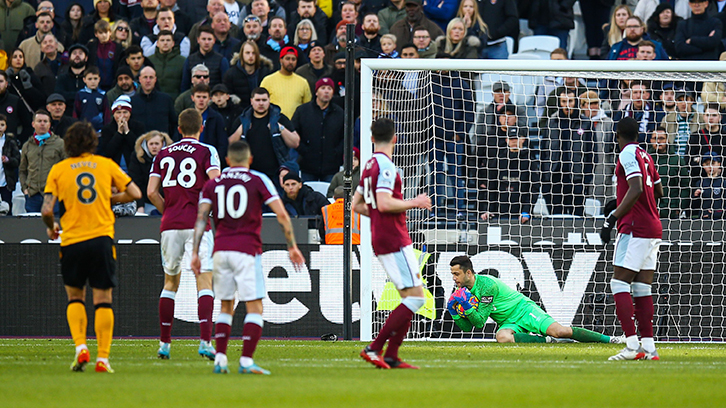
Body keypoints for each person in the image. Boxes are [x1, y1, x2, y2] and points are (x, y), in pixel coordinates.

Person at [192, 140, 305, 374]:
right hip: (246, 249)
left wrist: (195, 252)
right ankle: (245, 360)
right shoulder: (258, 179)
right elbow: (282, 214)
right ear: (250, 160)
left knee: (225, 306)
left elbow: (202, 218)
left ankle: (220, 359)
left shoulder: (212, 184)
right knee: (255, 307)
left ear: (227, 161)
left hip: (220, 251)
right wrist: (292, 246)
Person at [41, 121, 141, 373]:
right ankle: (103, 359)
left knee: (75, 297)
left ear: (68, 144)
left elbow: (46, 209)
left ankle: (80, 347)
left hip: (72, 240)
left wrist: (51, 226)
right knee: (103, 299)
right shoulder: (105, 165)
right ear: (93, 142)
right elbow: (136, 193)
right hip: (101, 239)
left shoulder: (59, 169)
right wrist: (110, 197)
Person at [352, 118, 432, 369]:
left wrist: (377, 213)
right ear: (395, 138)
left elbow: (356, 205)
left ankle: (391, 355)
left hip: (382, 234)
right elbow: (385, 203)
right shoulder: (386, 167)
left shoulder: (368, 165)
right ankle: (375, 347)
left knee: (408, 297)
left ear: (372, 138)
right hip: (393, 236)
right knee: (417, 298)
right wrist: (414, 202)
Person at [147, 108, 222, 360]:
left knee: (170, 282)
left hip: (170, 224)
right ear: (201, 128)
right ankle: (204, 342)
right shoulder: (207, 151)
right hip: (198, 224)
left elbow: (150, 191)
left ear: (178, 129)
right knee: (204, 280)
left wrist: (167, 210)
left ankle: (164, 345)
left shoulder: (163, 153)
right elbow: (216, 182)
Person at [600, 117, 663, 361]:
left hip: (634, 227)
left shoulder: (626, 154)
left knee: (619, 284)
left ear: (618, 135)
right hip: (653, 227)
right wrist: (620, 199)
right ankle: (649, 348)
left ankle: (632, 345)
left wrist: (613, 217)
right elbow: (657, 191)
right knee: (642, 287)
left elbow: (636, 188)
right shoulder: (645, 155)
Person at [447, 255, 622, 344]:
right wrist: (454, 312)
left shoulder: (487, 286)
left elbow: (479, 322)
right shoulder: (462, 291)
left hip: (523, 309)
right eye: (452, 274)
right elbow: (469, 327)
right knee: (502, 337)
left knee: (561, 331)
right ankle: (548, 341)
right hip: (508, 321)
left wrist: (465, 305)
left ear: (468, 272)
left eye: (457, 274)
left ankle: (610, 339)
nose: (454, 278)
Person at [479, 126, 539, 223]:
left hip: (521, 215)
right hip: (499, 213)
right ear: (507, 140)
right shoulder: (498, 160)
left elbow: (534, 189)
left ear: (523, 139)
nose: (514, 141)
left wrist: (526, 211)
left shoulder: (530, 161)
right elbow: (491, 186)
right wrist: (489, 209)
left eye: (516, 138)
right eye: (511, 139)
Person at [291, 77, 344, 182]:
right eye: (323, 88)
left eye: (329, 88)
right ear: (316, 92)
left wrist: (336, 153)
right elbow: (293, 132)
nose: (326, 91)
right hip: (307, 165)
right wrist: (304, 150)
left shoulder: (340, 113)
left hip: (331, 167)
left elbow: (345, 137)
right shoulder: (302, 111)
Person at [19, 110, 66, 213]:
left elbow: (67, 168)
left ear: (49, 124)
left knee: (53, 227)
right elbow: (22, 170)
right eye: (39, 121)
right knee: (33, 228)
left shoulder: (60, 143)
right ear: (33, 124)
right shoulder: (27, 145)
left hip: (53, 195)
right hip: (33, 195)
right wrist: (25, 189)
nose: (42, 124)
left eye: (45, 121)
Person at [647, 127, 690, 218]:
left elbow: (685, 186)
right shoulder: (644, 159)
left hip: (671, 211)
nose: (658, 141)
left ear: (667, 140)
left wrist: (679, 208)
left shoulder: (677, 160)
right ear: (651, 140)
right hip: (648, 210)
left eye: (661, 138)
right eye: (655, 138)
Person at [260, 46, 312, 119]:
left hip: (295, 126)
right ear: (281, 60)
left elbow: (307, 107)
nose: (290, 62)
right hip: (274, 124)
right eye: (287, 59)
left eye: (293, 59)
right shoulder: (268, 80)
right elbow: (260, 104)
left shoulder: (303, 82)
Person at [128, 130, 173, 214]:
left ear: (163, 144)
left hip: (167, 200)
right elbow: (136, 184)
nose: (154, 147)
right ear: (146, 145)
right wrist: (140, 206)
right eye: (151, 144)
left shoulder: (171, 158)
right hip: (146, 201)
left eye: (157, 144)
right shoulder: (137, 157)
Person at [223, 41, 274, 110]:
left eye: (253, 53)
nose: (250, 56)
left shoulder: (265, 72)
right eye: (247, 53)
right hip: (239, 113)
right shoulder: (231, 74)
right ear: (242, 54)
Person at [100, 95, 146, 166]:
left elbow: (139, 149)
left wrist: (127, 132)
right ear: (114, 114)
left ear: (130, 113)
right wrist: (119, 133)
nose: (122, 116)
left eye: (125, 112)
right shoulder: (107, 129)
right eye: (118, 112)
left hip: (134, 167)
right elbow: (108, 152)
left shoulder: (138, 126)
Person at [131, 66, 178, 137]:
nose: (148, 80)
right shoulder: (132, 101)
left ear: (155, 79)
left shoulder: (166, 100)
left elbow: (174, 124)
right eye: (145, 77)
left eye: (151, 77)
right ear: (140, 79)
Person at [181, 26, 230, 91]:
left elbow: (225, 85)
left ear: (214, 40)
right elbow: (185, 85)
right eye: (203, 39)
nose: (206, 42)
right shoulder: (190, 60)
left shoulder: (222, 60)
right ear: (198, 40)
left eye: (209, 39)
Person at [660, 89, 703, 158]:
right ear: (676, 102)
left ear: (692, 101)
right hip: (672, 160)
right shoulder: (667, 119)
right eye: (680, 100)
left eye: (686, 100)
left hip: (694, 159)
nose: (683, 103)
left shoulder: (701, 119)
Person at [73, 67, 111, 134]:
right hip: (83, 130)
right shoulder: (80, 94)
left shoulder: (102, 94)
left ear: (99, 79)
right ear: (84, 80)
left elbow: (106, 113)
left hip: (99, 130)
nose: (93, 81)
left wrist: (106, 129)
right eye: (90, 79)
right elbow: (76, 112)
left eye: (95, 78)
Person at [692, 152, 724, 219]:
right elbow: (694, 206)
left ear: (719, 164)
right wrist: (695, 196)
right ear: (703, 166)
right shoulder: (700, 183)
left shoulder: (723, 183)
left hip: (720, 220)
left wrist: (716, 214)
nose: (710, 166)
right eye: (707, 164)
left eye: (712, 163)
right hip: (703, 219)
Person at [0, 114, 20, 214]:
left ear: (6, 126)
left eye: (2, 125)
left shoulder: (10, 142)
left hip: (6, 182)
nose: (0, 128)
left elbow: (17, 161)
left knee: (7, 208)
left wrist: (8, 160)